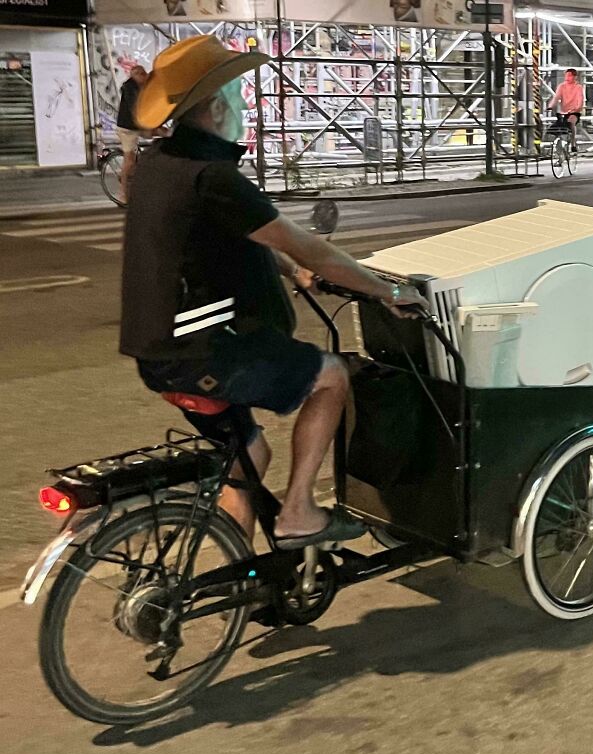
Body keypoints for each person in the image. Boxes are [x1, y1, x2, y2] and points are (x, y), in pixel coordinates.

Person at [120, 35, 427, 550]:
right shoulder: (212, 176)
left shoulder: (159, 164)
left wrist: (289, 271)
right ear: (217, 107)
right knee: (331, 376)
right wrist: (387, 291)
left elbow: (226, 237)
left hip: (156, 354)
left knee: (250, 457)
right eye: (239, 97)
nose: (246, 107)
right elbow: (310, 247)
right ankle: (298, 512)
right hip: (204, 353)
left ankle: (237, 572)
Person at [115, 64, 149, 203]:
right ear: (133, 76)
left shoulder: (145, 86)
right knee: (129, 160)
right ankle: (122, 192)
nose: (143, 76)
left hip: (137, 126)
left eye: (144, 73)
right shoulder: (129, 88)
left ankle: (135, 180)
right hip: (127, 128)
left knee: (162, 134)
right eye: (139, 74)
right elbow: (134, 109)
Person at [548, 67, 584, 152]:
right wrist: (550, 106)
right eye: (566, 76)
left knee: (571, 122)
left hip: (574, 112)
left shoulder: (578, 87)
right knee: (555, 128)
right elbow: (556, 97)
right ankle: (555, 149)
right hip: (563, 112)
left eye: (569, 76)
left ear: (575, 77)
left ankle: (573, 143)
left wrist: (577, 108)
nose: (567, 78)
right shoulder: (562, 86)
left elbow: (580, 100)